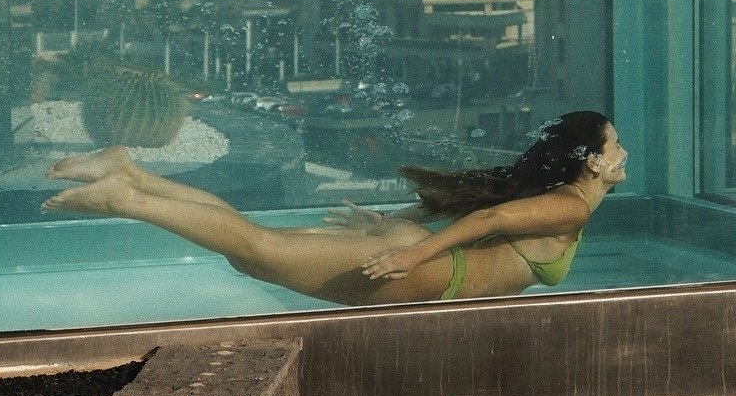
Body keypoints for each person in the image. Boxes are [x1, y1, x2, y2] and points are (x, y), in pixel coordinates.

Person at [41, 110, 627, 306]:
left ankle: (132, 173)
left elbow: (492, 218)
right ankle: (127, 197)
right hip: (426, 274)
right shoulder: (571, 206)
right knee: (252, 246)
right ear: (593, 162)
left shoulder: (557, 200)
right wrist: (409, 251)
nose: (623, 154)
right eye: (615, 144)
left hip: (425, 267)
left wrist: (406, 232)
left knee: (250, 248)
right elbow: (490, 220)